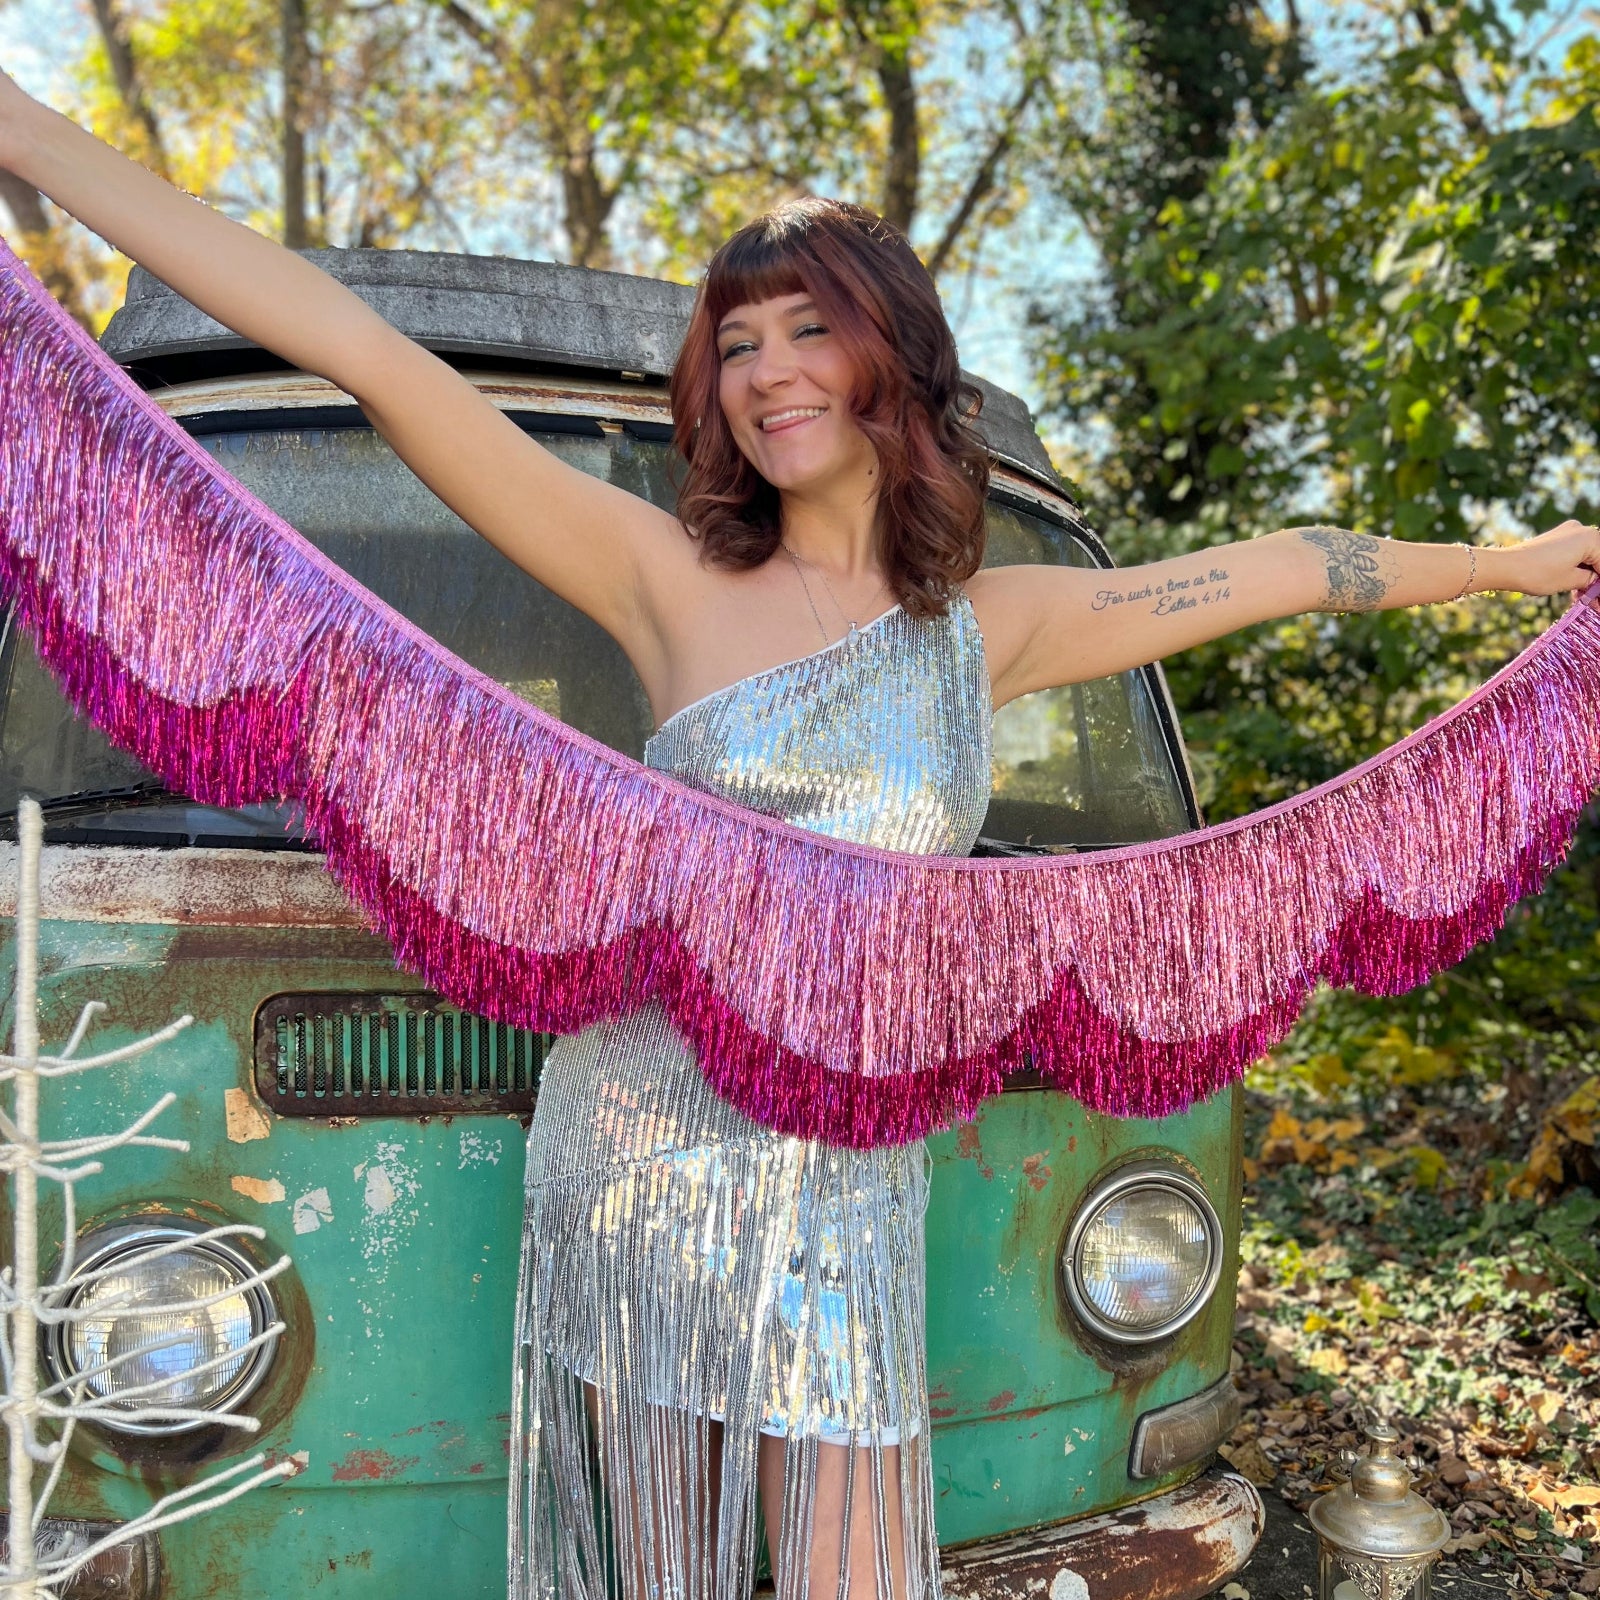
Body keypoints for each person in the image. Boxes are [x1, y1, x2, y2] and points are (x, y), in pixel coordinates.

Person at [2, 66, 1598, 1600]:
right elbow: (353, 344)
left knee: (852, 1562)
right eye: (739, 343)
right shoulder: (661, 576)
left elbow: (1283, 568)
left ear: (887, 356)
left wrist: (1515, 565)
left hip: (848, 1181)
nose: (767, 373)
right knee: (662, 1571)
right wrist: (27, 135)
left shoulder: (991, 628)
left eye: (807, 330)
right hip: (636, 1157)